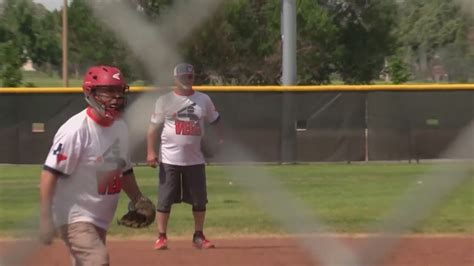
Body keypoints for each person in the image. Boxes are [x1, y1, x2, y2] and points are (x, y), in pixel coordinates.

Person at [39, 65, 152, 265]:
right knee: (98, 260)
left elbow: (123, 170)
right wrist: (45, 216)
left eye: (119, 91)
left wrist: (138, 199)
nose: (116, 97)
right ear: (90, 93)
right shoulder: (75, 130)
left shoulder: (120, 128)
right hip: (74, 217)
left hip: (99, 218)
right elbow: (50, 173)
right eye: (108, 91)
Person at [146, 63, 223, 250]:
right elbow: (153, 128)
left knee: (199, 199)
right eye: (183, 77)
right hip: (169, 159)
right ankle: (161, 237)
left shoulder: (203, 99)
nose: (187, 80)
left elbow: (215, 119)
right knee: (165, 200)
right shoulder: (164, 101)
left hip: (195, 160)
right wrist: (151, 151)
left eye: (190, 76)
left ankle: (198, 235)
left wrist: (220, 140)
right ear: (175, 79)